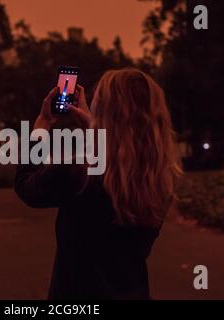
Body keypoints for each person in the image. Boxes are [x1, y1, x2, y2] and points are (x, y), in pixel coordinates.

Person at [14, 68, 182, 299]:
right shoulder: (158, 182)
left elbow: (26, 186)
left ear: (105, 114)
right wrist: (93, 128)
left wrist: (40, 128)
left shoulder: (78, 174)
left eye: (97, 102)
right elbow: (120, 156)